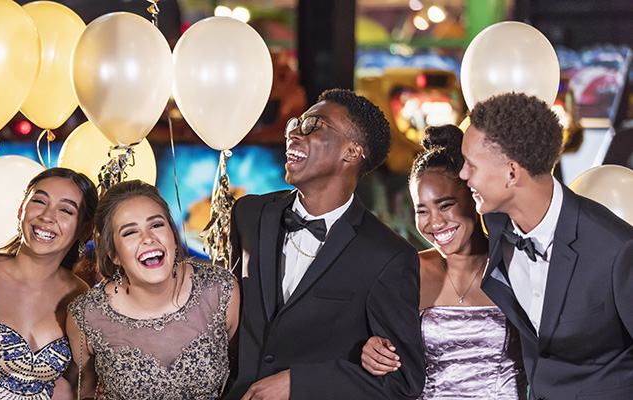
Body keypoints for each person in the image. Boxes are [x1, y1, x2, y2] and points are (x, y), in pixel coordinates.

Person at [225, 88, 425, 400]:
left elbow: (403, 381)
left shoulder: (388, 256)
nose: (293, 133)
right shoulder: (248, 214)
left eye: (312, 126)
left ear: (352, 152)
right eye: (296, 124)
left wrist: (298, 383)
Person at [459, 92, 633, 400]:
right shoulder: (496, 223)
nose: (463, 175)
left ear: (511, 173)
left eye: (471, 165)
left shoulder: (616, 250)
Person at [360, 124, 526, 399]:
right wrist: (370, 350)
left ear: (474, 199)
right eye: (422, 210)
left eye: (446, 204)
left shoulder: (515, 266)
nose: (435, 222)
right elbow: (384, 348)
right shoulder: (407, 271)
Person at [66, 180, 240, 399]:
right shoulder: (85, 315)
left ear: (173, 237)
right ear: (114, 255)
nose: (148, 238)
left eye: (156, 225)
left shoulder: (220, 290)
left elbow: (245, 373)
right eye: (129, 232)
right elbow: (82, 390)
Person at [0, 168, 98, 399]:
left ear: (84, 229)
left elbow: (81, 385)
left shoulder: (81, 297)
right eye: (39, 201)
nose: (47, 216)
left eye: (65, 210)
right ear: (20, 209)